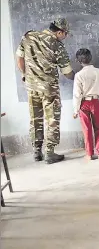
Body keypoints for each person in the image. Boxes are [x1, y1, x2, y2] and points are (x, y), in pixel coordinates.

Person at [15, 18, 75, 164]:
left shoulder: (28, 36)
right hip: (49, 89)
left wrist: (24, 74)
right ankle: (50, 152)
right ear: (59, 32)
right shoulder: (57, 46)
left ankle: (37, 152)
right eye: (65, 34)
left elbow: (19, 57)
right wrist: (79, 77)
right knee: (52, 119)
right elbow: (67, 72)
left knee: (35, 118)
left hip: (31, 87)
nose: (65, 37)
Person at [72, 48, 99, 161]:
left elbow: (77, 95)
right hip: (95, 102)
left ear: (79, 61)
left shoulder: (78, 75)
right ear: (90, 58)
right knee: (98, 128)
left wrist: (75, 110)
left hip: (83, 104)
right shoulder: (98, 72)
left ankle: (89, 154)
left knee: (87, 129)